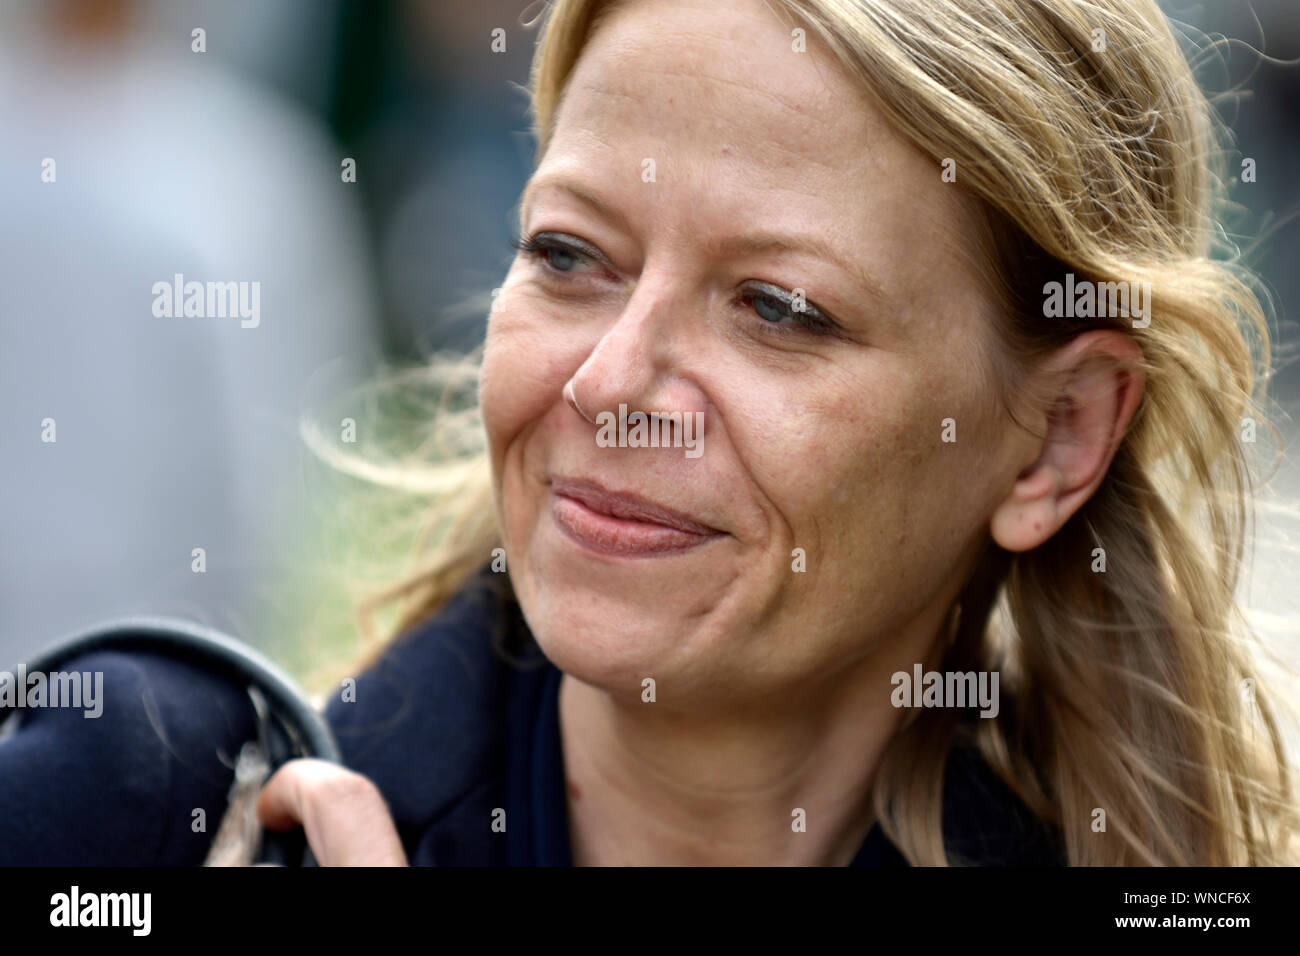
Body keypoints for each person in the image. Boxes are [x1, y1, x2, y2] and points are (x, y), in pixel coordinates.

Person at [3, 0, 1295, 866]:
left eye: (780, 309)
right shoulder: (142, 807)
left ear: (1055, 439)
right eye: (570, 255)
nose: (609, 382)